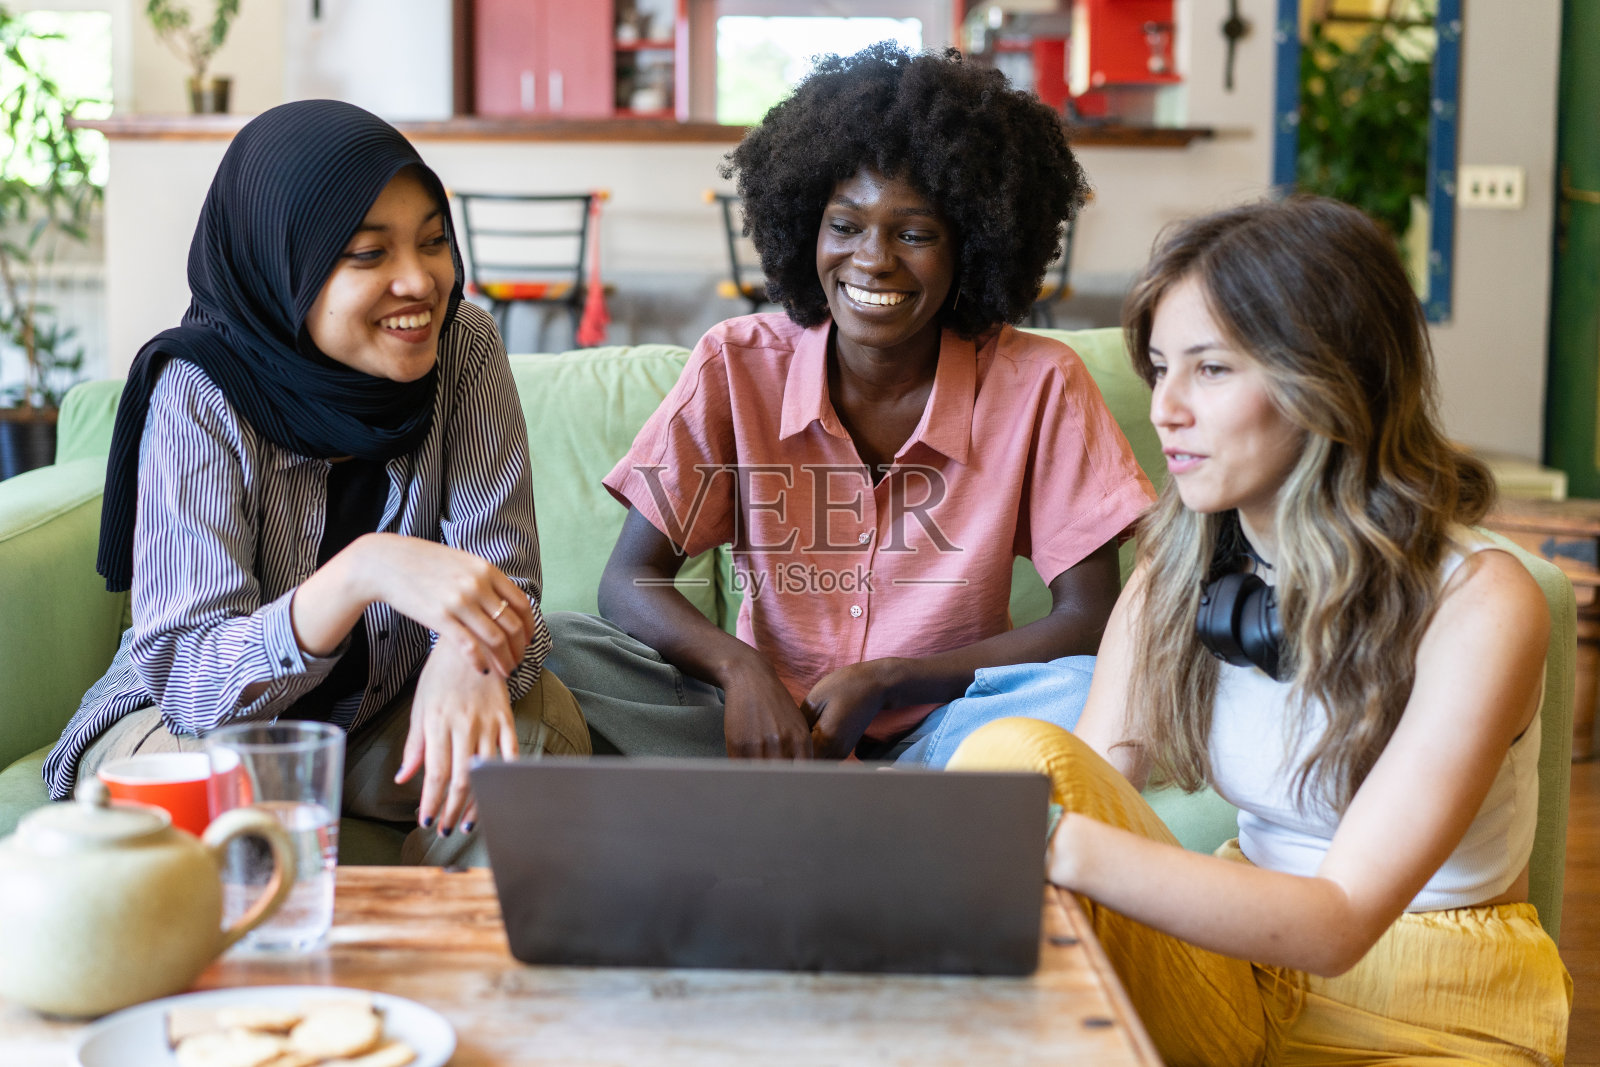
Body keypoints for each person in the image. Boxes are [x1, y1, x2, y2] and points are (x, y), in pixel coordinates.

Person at [950, 196, 1572, 1064]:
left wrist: (1045, 841)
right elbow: (1094, 777)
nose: (1164, 407)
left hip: (1430, 998)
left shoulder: (1479, 601)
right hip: (1231, 969)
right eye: (1159, 367)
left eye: (1209, 370)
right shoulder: (1177, 564)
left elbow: (1340, 920)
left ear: (1325, 378)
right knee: (1016, 752)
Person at [543, 44, 1153, 763]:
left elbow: (1087, 619)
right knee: (555, 647)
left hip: (948, 728)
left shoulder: (1040, 381)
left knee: (1087, 688)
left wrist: (895, 679)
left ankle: (845, 808)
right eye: (845, 225)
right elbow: (629, 581)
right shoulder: (736, 364)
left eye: (916, 233)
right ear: (806, 228)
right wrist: (744, 673)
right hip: (757, 725)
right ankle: (847, 807)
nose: (872, 259)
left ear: (975, 246)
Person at [44, 100, 589, 865]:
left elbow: (506, 583)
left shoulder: (464, 347)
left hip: (374, 715)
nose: (419, 281)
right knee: (221, 821)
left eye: (433, 243)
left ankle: (439, 960)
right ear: (283, 267)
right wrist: (364, 570)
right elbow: (195, 683)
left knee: (535, 732)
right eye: (368, 253)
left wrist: (468, 654)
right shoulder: (201, 388)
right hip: (196, 730)